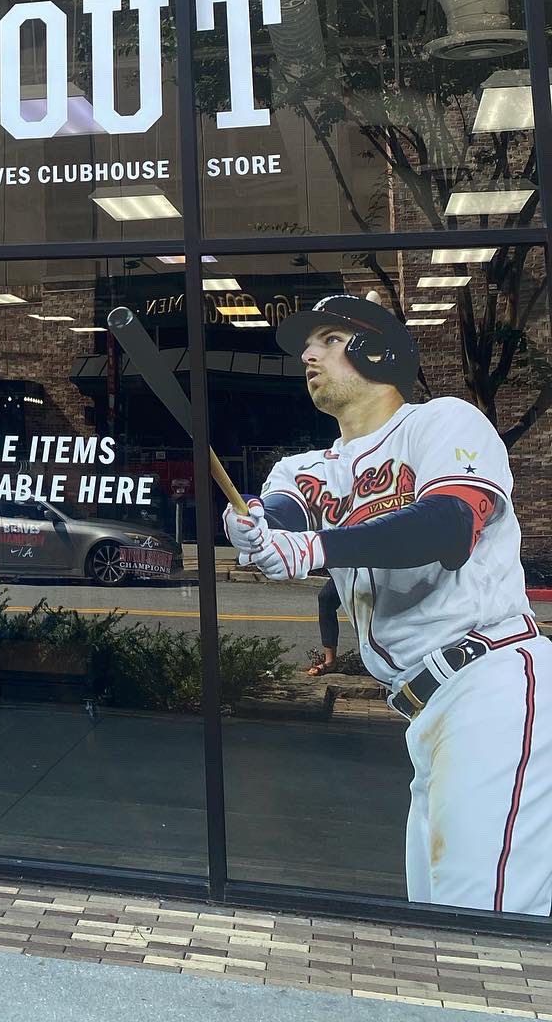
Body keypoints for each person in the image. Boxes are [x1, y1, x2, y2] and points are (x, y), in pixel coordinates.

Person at [225, 294, 551, 914]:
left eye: (325, 338)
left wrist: (312, 546)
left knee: (482, 924)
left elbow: (447, 528)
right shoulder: (305, 466)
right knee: (436, 920)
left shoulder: (444, 423)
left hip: (493, 683)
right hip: (423, 711)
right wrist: (258, 529)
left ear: (377, 349)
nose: (308, 353)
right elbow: (286, 509)